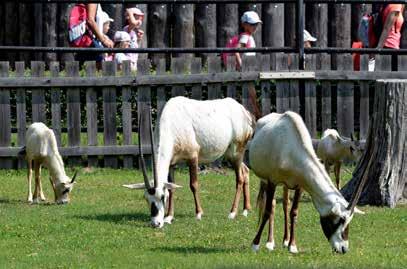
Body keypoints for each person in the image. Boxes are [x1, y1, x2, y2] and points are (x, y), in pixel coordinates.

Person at [376, 4, 405, 70]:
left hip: (391, 46)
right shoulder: (395, 6)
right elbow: (386, 28)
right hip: (390, 46)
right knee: (391, 76)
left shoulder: (392, 5)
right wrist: (379, 48)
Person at [123, 7, 145, 71]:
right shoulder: (127, 28)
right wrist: (130, 12)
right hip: (127, 61)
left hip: (133, 61)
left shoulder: (133, 31)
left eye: (140, 18)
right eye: (136, 17)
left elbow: (133, 45)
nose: (139, 20)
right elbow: (133, 23)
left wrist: (138, 39)